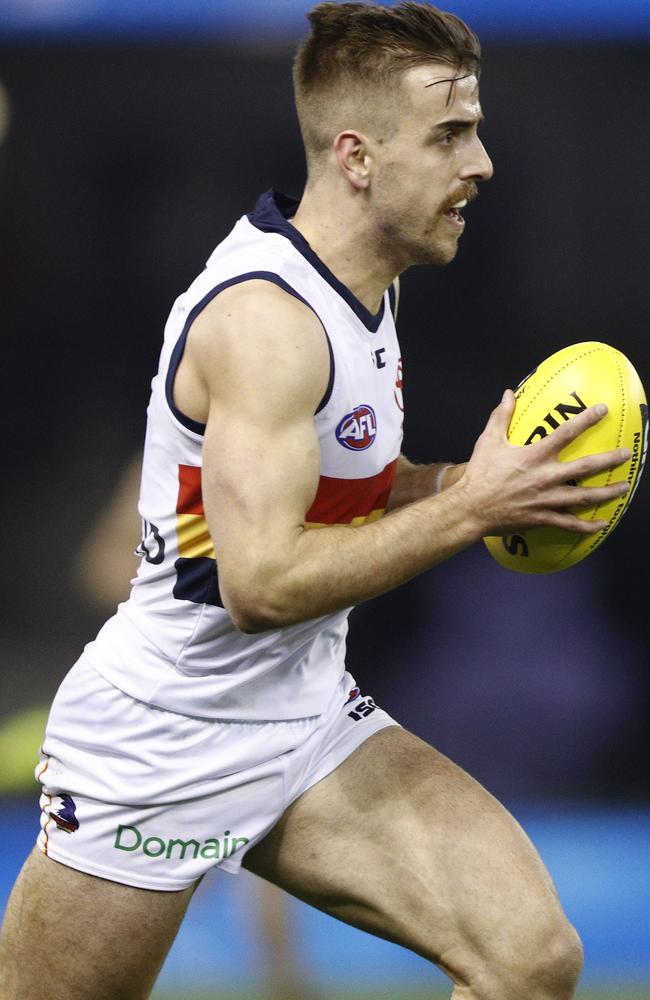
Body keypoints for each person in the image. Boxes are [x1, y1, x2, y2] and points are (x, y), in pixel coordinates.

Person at [0, 4, 632, 999]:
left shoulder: (363, 288)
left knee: (528, 958)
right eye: (449, 134)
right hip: (163, 739)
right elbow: (260, 582)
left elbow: (339, 489)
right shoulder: (265, 323)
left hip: (303, 719)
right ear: (356, 156)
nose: (481, 164)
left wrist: (473, 480)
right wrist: (470, 511)